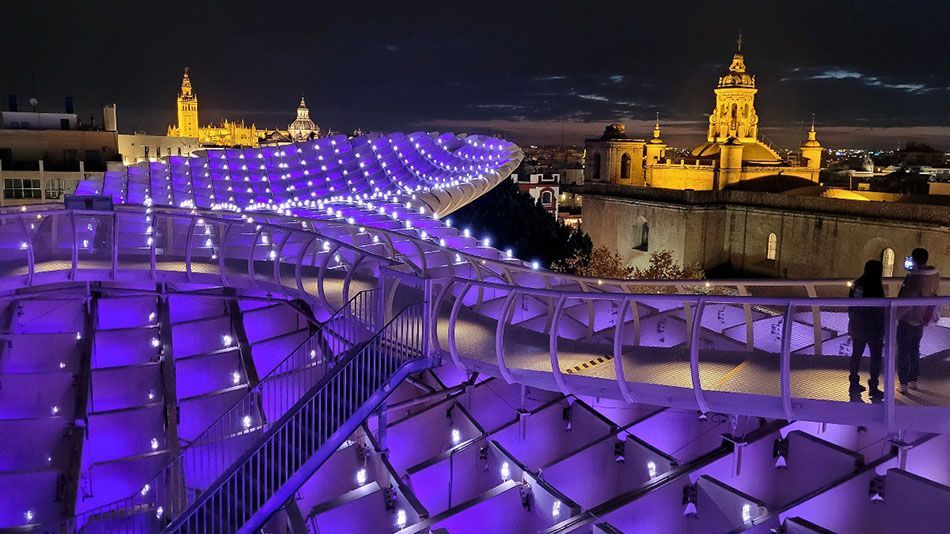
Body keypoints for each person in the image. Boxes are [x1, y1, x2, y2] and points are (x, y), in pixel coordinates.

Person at [896, 248, 941, 394]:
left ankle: (903, 383)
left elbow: (907, 301)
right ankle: (913, 380)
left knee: (903, 351)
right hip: (922, 318)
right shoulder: (935, 275)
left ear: (914, 260)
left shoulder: (914, 278)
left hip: (908, 319)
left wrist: (895, 315)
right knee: (915, 350)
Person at [847, 260, 885, 400]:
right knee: (875, 357)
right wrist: (882, 330)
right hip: (873, 328)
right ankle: (873, 387)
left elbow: (850, 306)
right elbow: (879, 310)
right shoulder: (875, 287)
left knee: (856, 355)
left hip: (856, 325)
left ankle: (853, 383)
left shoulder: (856, 284)